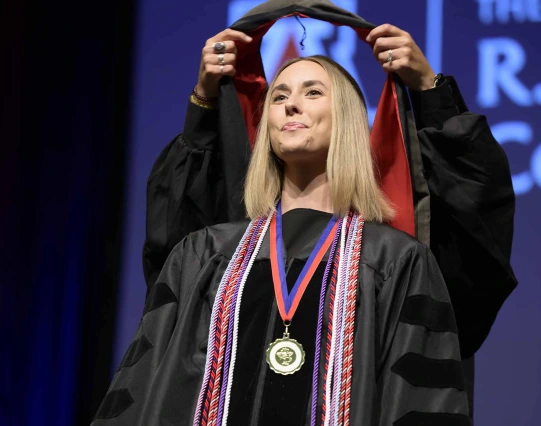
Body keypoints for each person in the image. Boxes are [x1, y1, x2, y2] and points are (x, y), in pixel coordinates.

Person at [94, 1, 517, 424]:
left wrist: (429, 87)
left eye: (313, 92)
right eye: (279, 96)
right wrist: (205, 99)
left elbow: (475, 230)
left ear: (348, 120)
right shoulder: (207, 254)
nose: (290, 106)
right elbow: (155, 385)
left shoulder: (395, 261)